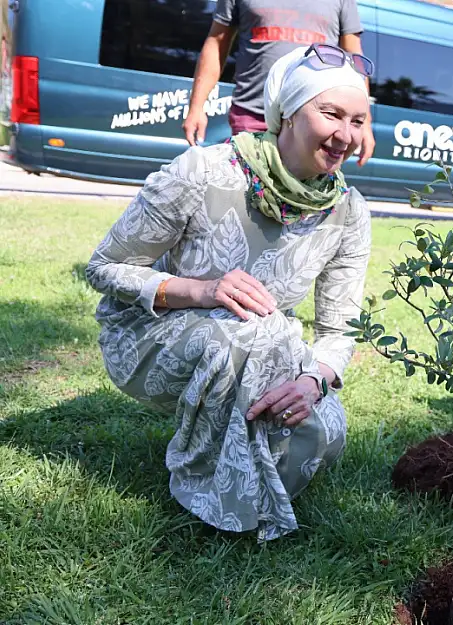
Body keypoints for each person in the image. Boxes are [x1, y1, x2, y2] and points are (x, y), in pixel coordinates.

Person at [86, 46, 373, 541]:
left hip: (256, 341)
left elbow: (338, 329)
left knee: (326, 425)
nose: (345, 135)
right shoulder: (202, 172)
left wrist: (312, 383)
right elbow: (104, 268)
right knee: (239, 339)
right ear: (286, 113)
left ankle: (245, 466)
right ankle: (204, 487)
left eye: (358, 120)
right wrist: (204, 289)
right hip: (150, 336)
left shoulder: (348, 212)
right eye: (330, 114)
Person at [183, 0, 376, 166]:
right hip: (252, 115)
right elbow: (217, 42)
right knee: (245, 197)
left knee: (305, 201)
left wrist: (364, 123)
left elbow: (355, 59)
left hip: (315, 122)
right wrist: (197, 106)